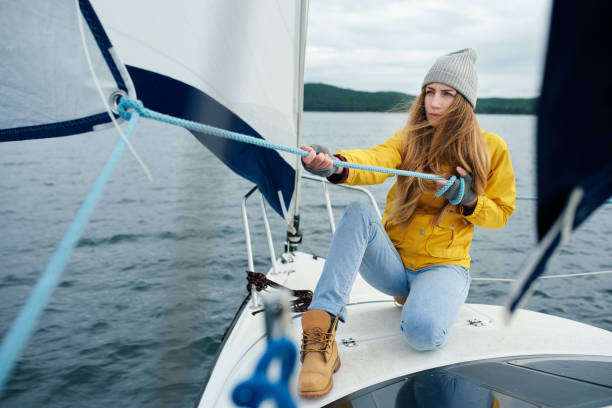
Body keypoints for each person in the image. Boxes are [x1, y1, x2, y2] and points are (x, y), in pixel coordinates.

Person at [296, 48, 516, 398]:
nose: (434, 102)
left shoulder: (492, 148)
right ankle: (321, 334)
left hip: (443, 266)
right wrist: (335, 164)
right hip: (394, 266)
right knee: (358, 213)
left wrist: (469, 199)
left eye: (447, 93)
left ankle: (425, 300)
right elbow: (374, 160)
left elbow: (502, 213)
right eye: (430, 91)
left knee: (423, 335)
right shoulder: (409, 138)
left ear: (464, 102)